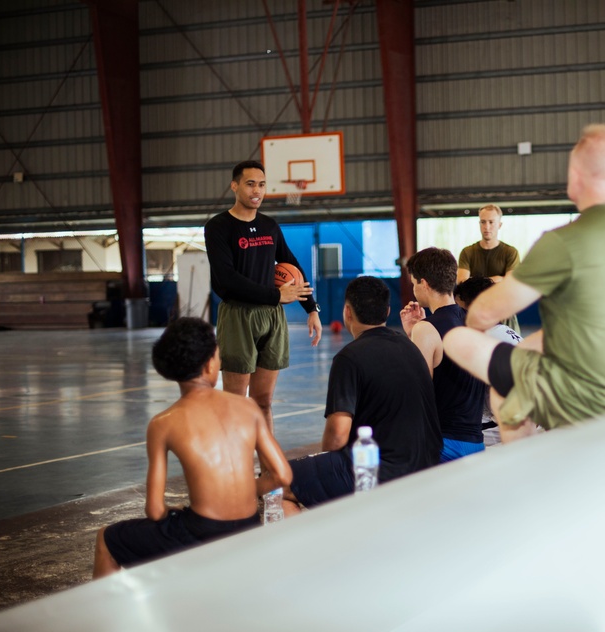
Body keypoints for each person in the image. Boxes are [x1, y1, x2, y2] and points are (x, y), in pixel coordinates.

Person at [443, 124, 605, 443]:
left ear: (575, 178)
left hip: (593, 392)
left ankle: (523, 462)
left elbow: (480, 315)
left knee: (460, 343)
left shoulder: (565, 241)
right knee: (529, 347)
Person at [93, 318, 292, 578]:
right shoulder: (248, 407)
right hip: (249, 525)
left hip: (202, 532)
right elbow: (282, 475)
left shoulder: (162, 423)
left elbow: (154, 510)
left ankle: (98, 615)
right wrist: (243, 489)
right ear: (210, 363)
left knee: (106, 540)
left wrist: (169, 513)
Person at [256, 276, 442, 513]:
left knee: (276, 484)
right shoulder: (411, 348)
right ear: (387, 311)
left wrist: (324, 466)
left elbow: (336, 437)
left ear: (347, 311)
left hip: (379, 469)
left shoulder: (349, 358)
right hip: (427, 462)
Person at [204, 160, 322, 432]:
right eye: (249, 184)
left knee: (264, 402)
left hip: (272, 316)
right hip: (239, 315)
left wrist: (311, 309)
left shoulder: (269, 226)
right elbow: (227, 279)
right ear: (235, 186)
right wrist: (275, 295)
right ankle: (237, 466)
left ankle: (268, 467)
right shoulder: (219, 227)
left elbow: (293, 267)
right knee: (236, 401)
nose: (256, 190)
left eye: (261, 184)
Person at [401, 248, 486, 461]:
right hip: (475, 442)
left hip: (444, 445)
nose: (414, 289)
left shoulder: (427, 330)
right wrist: (414, 331)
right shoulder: (474, 321)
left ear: (424, 283)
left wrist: (416, 334)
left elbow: (418, 395)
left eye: (414, 283)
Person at [455, 276, 521, 446]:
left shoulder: (484, 339)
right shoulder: (505, 331)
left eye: (460, 310)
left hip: (503, 427)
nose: (458, 317)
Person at [457, 204, 522, 333]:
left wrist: (475, 283)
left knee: (509, 350)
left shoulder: (510, 252)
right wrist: (499, 278)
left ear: (499, 225)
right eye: (483, 222)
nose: (487, 227)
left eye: (491, 222)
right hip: (476, 314)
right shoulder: (467, 252)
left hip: (503, 314)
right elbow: (462, 282)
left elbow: (510, 283)